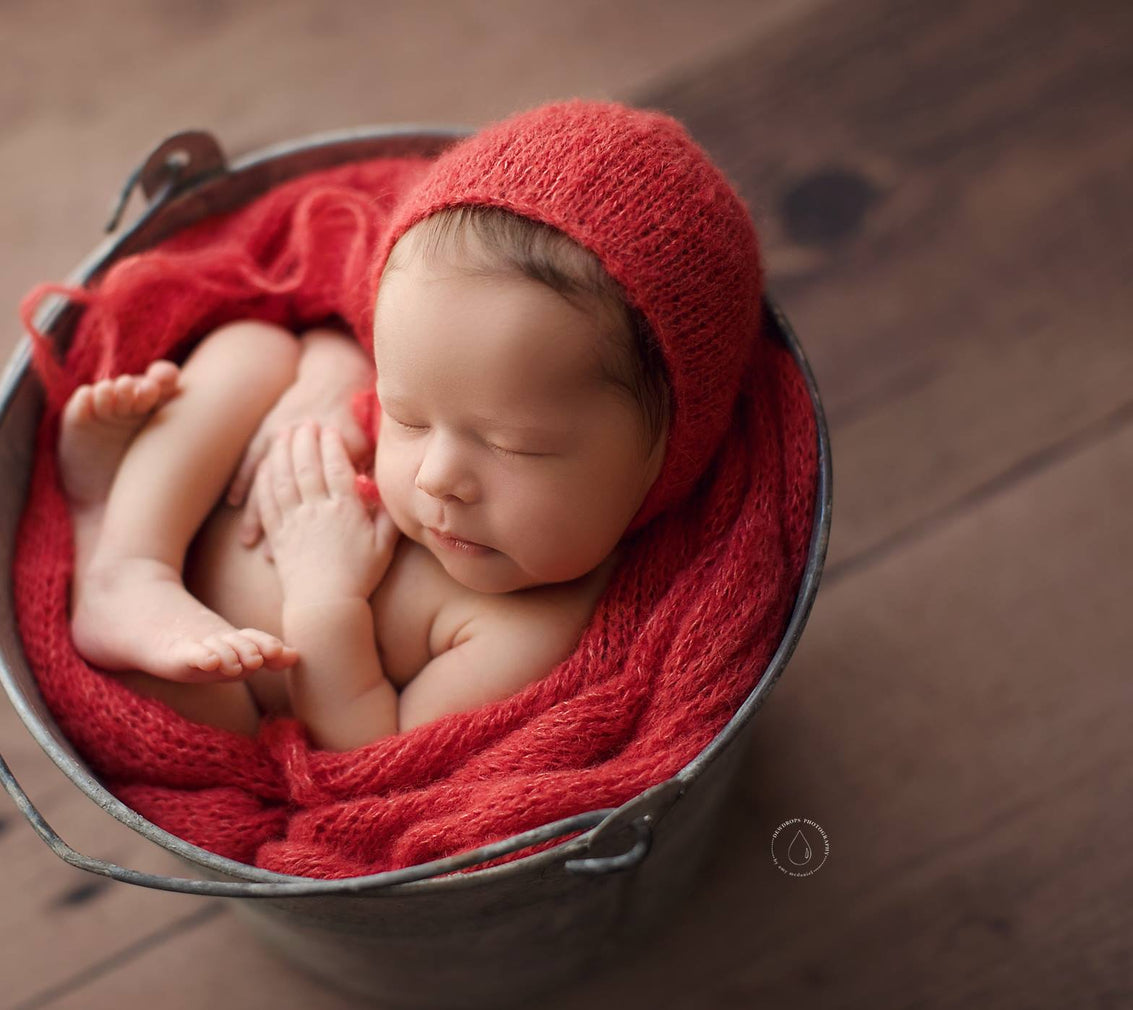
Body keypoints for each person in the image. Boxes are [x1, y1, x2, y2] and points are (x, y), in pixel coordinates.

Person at [55, 99, 761, 752]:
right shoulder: (433, 365)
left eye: (515, 444)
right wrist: (328, 376)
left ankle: (94, 524)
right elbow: (332, 329)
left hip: (238, 664)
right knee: (254, 348)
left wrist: (322, 598)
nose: (435, 477)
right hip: (199, 497)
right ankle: (129, 559)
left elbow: (372, 748)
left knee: (209, 715)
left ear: (666, 459)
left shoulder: (528, 626)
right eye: (407, 416)